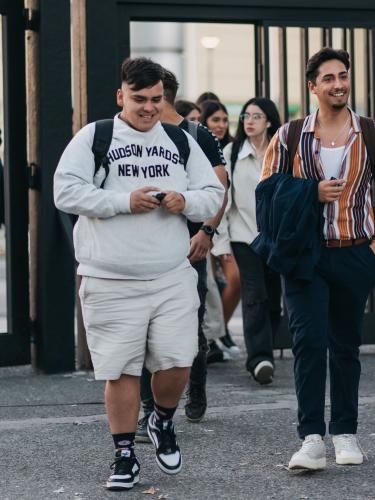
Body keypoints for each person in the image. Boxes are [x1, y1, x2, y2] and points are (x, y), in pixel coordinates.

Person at [54, 57, 224, 490]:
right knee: (122, 371)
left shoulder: (179, 140)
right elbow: (65, 190)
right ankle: (124, 454)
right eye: (139, 99)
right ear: (121, 97)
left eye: (155, 99)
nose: (148, 108)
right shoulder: (96, 137)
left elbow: (213, 194)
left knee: (179, 362)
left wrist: (184, 201)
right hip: (109, 277)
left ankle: (162, 420)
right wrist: (122, 201)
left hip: (170, 274)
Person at [260, 48, 375, 469]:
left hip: (355, 252)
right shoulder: (288, 135)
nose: (338, 84)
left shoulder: (374, 133)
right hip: (305, 255)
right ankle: (310, 438)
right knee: (308, 344)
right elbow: (266, 191)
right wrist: (311, 192)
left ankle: (345, 432)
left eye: (343, 75)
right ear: (313, 86)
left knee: (345, 345)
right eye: (329, 78)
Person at [136, 68, 228, 440]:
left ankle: (197, 384)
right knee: (142, 331)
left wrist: (207, 231)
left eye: (152, 98)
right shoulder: (136, 134)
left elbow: (220, 186)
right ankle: (148, 410)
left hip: (190, 246)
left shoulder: (196, 135)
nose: (146, 106)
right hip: (143, 250)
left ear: (164, 97)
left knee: (190, 325)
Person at [222, 97, 282, 384]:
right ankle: (259, 358)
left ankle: (266, 349)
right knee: (255, 295)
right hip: (243, 237)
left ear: (269, 121)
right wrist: (221, 245)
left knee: (274, 300)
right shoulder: (231, 152)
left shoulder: (283, 152)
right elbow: (222, 202)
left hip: (277, 239)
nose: (249, 121)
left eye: (256, 116)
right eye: (245, 115)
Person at [200, 99, 241, 354]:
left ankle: (220, 331)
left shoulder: (234, 150)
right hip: (210, 226)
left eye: (225, 120)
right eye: (215, 120)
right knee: (212, 284)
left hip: (231, 228)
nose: (222, 125)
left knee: (234, 280)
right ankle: (215, 335)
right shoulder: (202, 148)